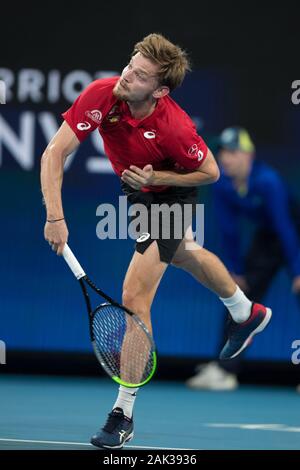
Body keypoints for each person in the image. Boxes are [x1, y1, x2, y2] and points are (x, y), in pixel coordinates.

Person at [40, 34, 271, 449]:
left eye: (141, 75)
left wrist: (157, 178)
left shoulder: (175, 126)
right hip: (139, 192)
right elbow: (54, 153)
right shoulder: (103, 94)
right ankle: (245, 311)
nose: (127, 76)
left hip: (171, 192)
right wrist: (55, 216)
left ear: (160, 90)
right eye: (130, 64)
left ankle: (122, 413)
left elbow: (211, 173)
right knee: (182, 252)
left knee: (134, 294)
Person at [186, 127, 300, 391]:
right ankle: (224, 371)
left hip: (292, 233)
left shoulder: (268, 181)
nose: (225, 158)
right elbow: (229, 231)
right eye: (223, 152)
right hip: (267, 238)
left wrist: (297, 271)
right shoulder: (223, 185)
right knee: (241, 298)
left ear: (248, 156)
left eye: (233, 152)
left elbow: (285, 227)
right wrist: (236, 270)